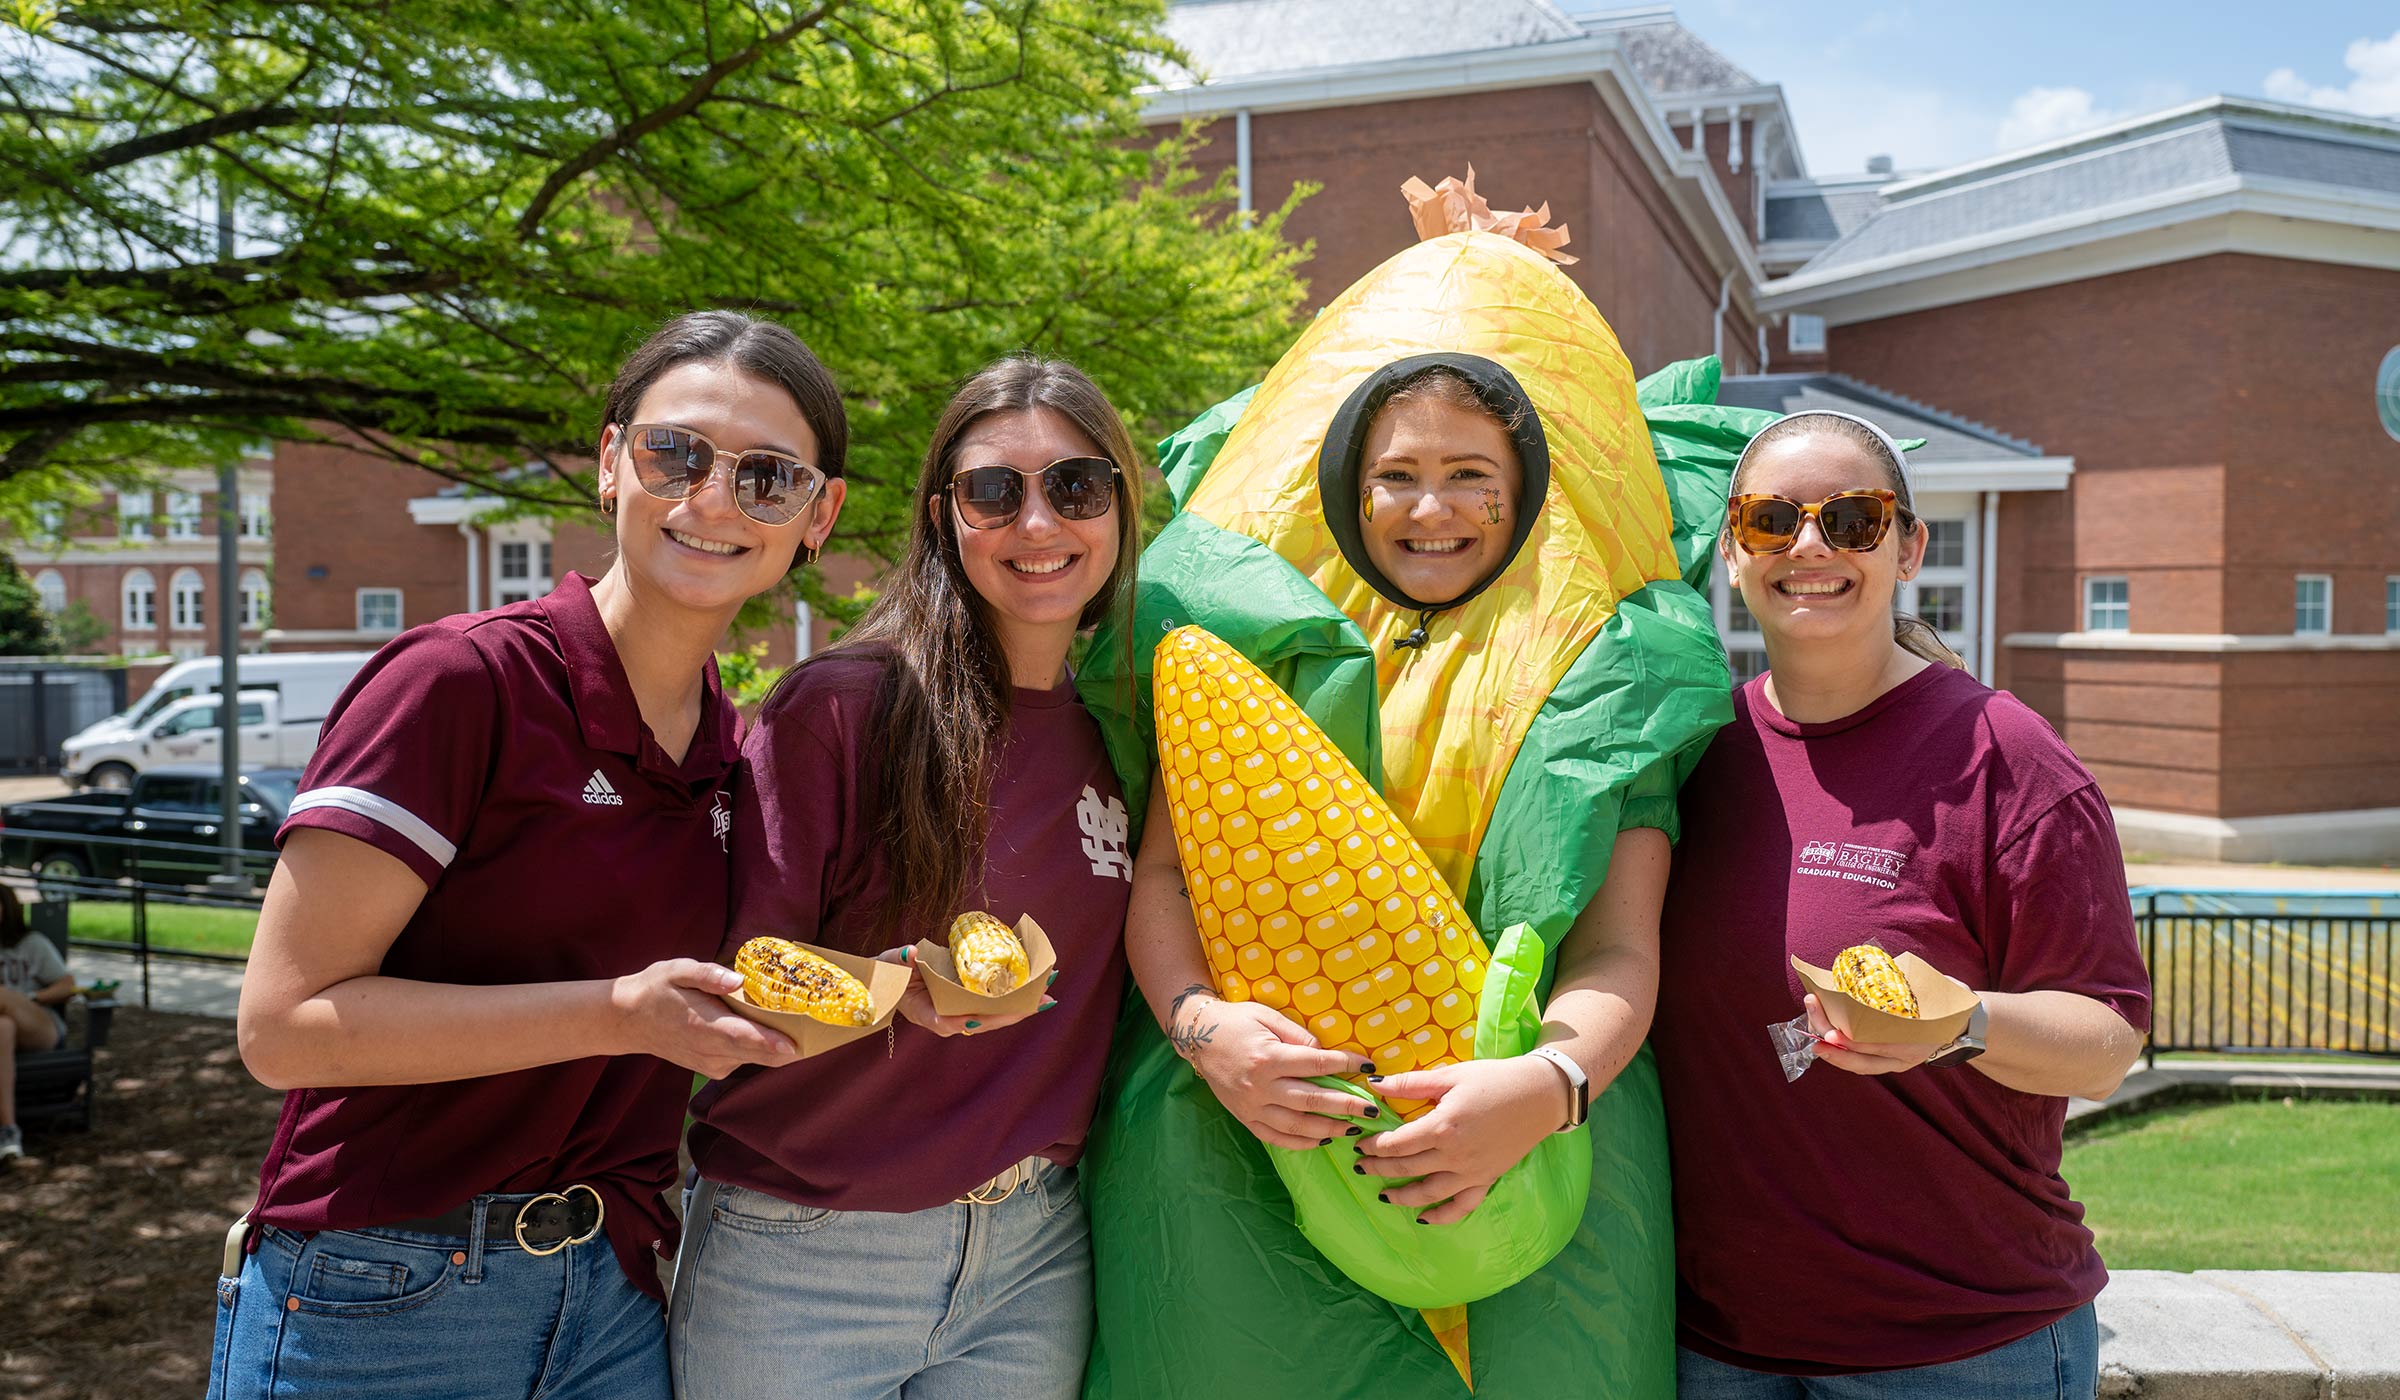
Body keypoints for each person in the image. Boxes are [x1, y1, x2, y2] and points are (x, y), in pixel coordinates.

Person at [209, 310, 847, 1400]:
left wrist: (904, 998)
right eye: (676, 453)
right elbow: (281, 1026)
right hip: (381, 1291)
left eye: (768, 477)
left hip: (612, 1294)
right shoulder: (460, 683)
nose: (712, 500)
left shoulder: (736, 748)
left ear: (817, 515)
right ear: (610, 463)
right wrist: (619, 1013)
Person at [670, 356, 1144, 1400]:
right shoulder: (845, 707)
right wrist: (895, 991)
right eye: (994, 491)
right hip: (808, 1252)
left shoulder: (1124, 734)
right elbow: (738, 981)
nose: (1036, 523)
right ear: (944, 518)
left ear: (1120, 508)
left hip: (1034, 1255)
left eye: (1076, 487)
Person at [1652, 409, 2151, 1399]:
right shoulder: (1693, 752)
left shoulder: (2006, 756)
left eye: (1852, 519)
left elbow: (2106, 1041)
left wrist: (1958, 1023)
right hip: (1719, 1344)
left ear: (1908, 548)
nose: (1810, 545)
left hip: (1960, 1344)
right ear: (1733, 551)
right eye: (1771, 519)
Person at [0, 884, 74, 1160]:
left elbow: (67, 985)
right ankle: (8, 1131)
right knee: (3, 1027)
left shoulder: (31, 943)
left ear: (7, 908)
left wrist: (30, 998)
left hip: (39, 1027)